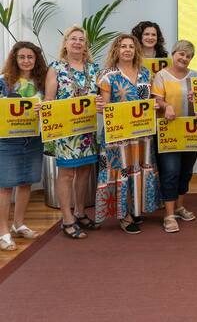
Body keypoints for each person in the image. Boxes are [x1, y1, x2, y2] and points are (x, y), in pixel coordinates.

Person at [95, 34, 160, 234]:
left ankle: (135, 208)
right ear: (116, 50)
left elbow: (148, 101)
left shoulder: (145, 73)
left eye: (131, 46)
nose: (127, 50)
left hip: (141, 134)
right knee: (121, 171)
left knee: (137, 168)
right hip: (119, 136)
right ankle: (124, 215)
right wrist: (101, 108)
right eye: (123, 46)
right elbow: (104, 108)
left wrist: (154, 106)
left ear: (136, 50)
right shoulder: (107, 75)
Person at [45, 26, 103, 239]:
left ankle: (80, 212)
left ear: (85, 45)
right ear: (66, 43)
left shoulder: (94, 68)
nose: (78, 42)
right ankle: (67, 218)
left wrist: (100, 104)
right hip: (66, 131)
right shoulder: (56, 68)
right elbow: (49, 99)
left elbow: (101, 97)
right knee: (67, 174)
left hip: (87, 129)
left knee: (85, 171)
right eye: (73, 39)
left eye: (81, 39)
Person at [0, 42, 48, 250]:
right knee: (5, 186)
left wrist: (44, 108)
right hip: (8, 140)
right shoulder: (3, 81)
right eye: (22, 57)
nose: (26, 61)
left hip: (34, 138)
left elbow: (51, 105)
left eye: (30, 57)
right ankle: (3, 231)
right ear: (15, 59)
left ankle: (18, 224)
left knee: (26, 182)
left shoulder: (42, 82)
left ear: (36, 60)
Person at [152, 40, 197, 233]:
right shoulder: (161, 75)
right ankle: (169, 215)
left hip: (191, 131)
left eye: (188, 56)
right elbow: (157, 100)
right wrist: (166, 106)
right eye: (181, 54)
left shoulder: (196, 76)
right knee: (170, 172)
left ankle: (179, 207)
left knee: (186, 172)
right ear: (173, 54)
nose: (184, 58)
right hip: (168, 131)